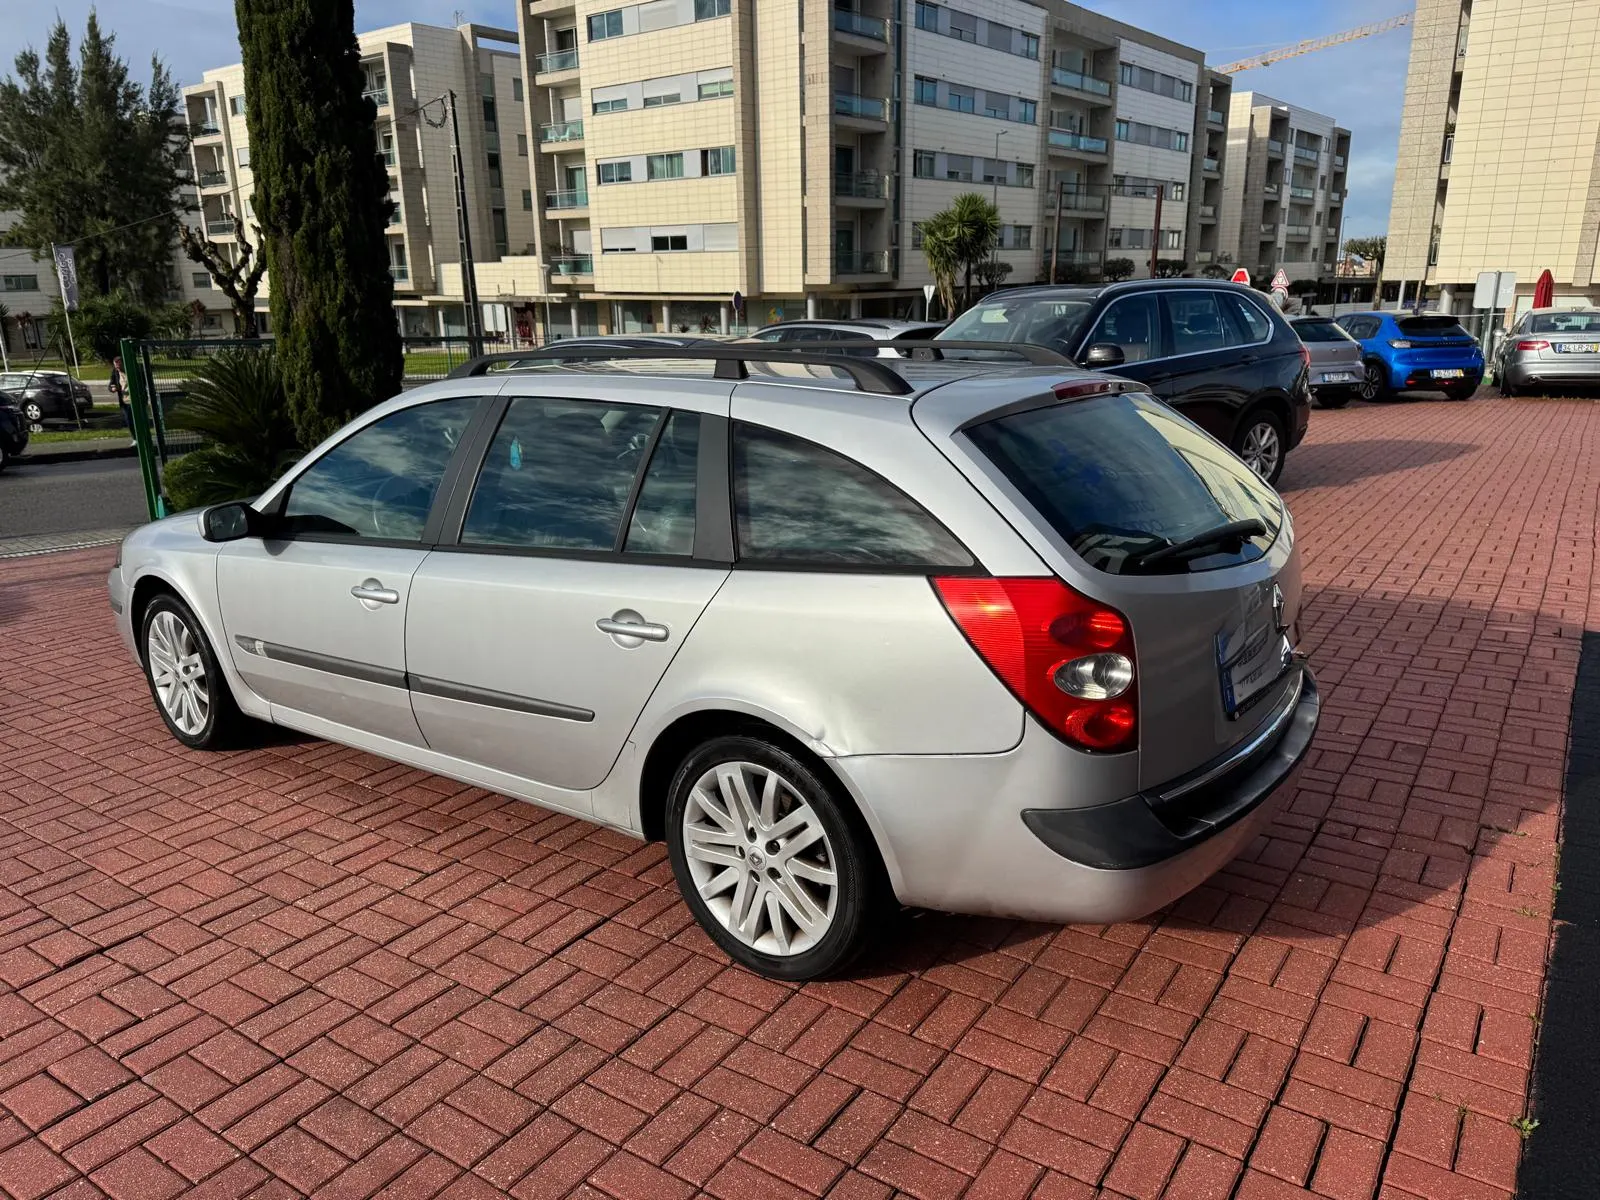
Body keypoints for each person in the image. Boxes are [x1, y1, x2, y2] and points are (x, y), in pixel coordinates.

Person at [109, 356, 131, 441]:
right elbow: (111, 384)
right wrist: (112, 388)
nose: (117, 368)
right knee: (128, 420)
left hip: (134, 400)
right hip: (125, 401)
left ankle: (142, 437)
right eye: (116, 366)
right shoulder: (115, 372)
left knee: (137, 421)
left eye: (119, 366)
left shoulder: (129, 371)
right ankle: (135, 438)